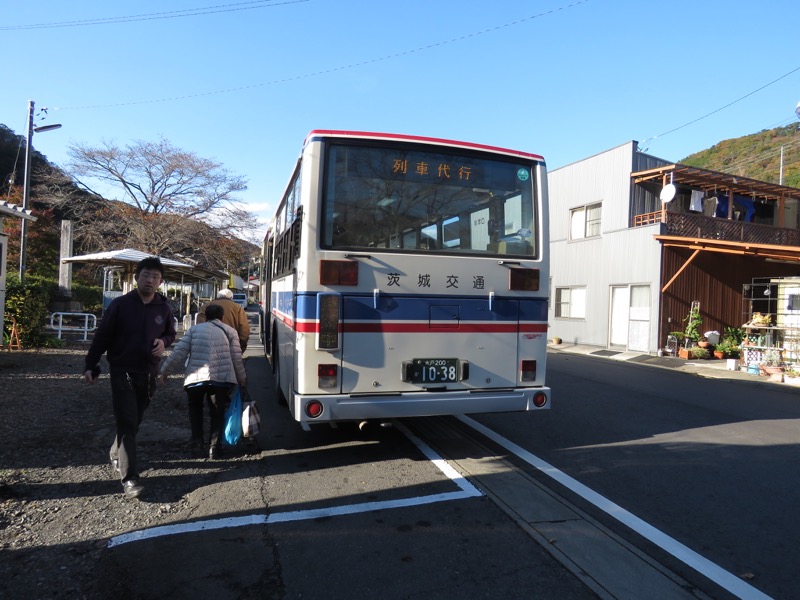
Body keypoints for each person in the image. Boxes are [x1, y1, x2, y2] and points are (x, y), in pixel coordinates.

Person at [84, 256, 176, 499]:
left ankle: (116, 452)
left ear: (160, 281)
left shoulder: (164, 308)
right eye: (146, 275)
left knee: (134, 422)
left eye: (155, 276)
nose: (150, 280)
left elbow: (170, 333)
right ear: (137, 277)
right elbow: (102, 336)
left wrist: (163, 342)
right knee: (127, 422)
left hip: (148, 372)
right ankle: (130, 479)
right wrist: (90, 364)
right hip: (122, 369)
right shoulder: (121, 305)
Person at [158, 303, 247, 459]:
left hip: (196, 379)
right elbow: (236, 359)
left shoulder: (194, 330)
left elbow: (178, 352)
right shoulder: (230, 331)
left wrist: (165, 372)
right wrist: (242, 378)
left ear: (205, 316)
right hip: (221, 380)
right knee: (217, 412)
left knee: (195, 409)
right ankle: (215, 447)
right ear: (222, 317)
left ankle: (197, 442)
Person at [197, 288, 250, 353]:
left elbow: (200, 325)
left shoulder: (206, 306)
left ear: (218, 296)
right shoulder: (237, 308)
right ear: (231, 297)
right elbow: (244, 330)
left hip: (208, 346)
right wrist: (241, 347)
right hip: (231, 345)